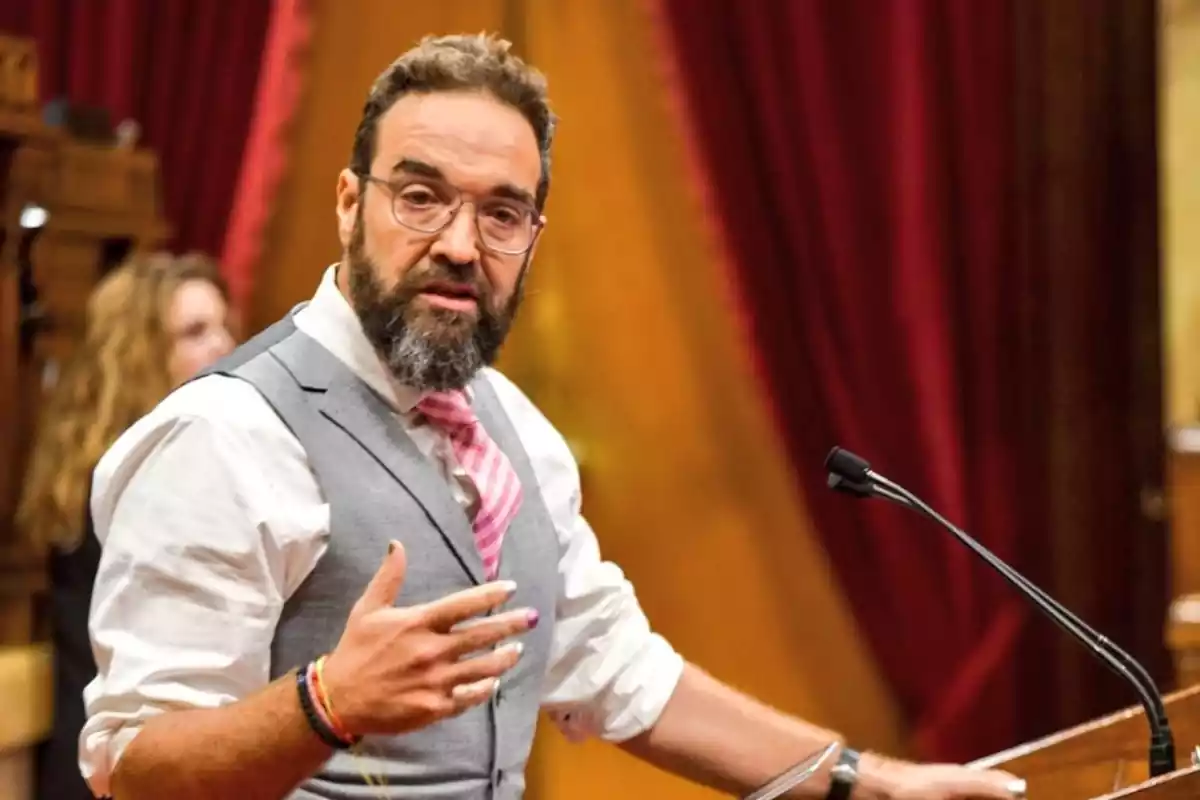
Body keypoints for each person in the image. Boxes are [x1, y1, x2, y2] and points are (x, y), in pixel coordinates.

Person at [80, 34, 1026, 800]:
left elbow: (621, 675)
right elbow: (133, 769)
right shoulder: (223, 436)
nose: (459, 243)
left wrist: (868, 781)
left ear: (532, 237)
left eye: (502, 214)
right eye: (419, 197)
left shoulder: (513, 431)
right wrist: (326, 703)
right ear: (347, 202)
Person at [17, 251, 235, 800]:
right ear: (140, 354)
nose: (224, 346)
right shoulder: (139, 475)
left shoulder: (109, 460)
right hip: (122, 766)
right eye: (195, 332)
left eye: (223, 326)